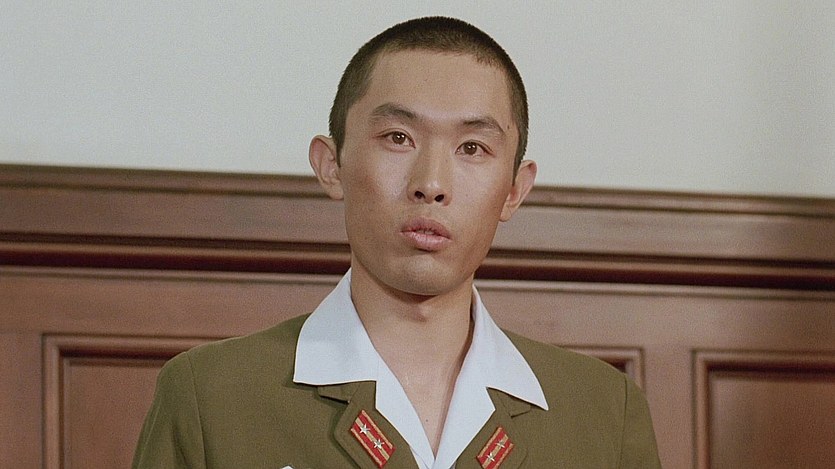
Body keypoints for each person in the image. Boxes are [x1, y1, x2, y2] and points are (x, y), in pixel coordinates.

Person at [133, 16, 661, 469]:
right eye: (398, 138)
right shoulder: (212, 396)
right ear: (331, 165)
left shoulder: (602, 412)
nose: (431, 183)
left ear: (514, 190)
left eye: (472, 147)